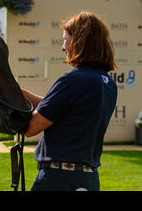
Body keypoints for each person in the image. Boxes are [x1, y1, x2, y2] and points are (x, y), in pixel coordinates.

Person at [21, 11, 118, 191]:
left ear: (79, 41)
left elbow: (31, 128)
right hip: (88, 180)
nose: (63, 47)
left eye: (65, 39)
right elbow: (61, 108)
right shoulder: (107, 83)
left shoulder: (73, 80)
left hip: (58, 180)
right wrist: (19, 93)